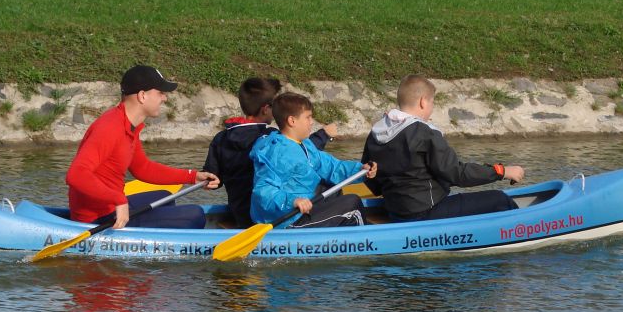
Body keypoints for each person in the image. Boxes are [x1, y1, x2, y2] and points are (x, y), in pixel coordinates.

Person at [66, 65, 219, 230]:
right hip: (98, 219)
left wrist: (193, 177)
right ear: (142, 96)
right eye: (160, 92)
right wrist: (118, 200)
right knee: (195, 215)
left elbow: (142, 168)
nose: (165, 98)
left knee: (166, 197)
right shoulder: (110, 127)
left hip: (110, 207)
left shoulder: (128, 124)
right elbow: (76, 175)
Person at [361, 74, 524, 221]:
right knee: (500, 199)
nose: (432, 108)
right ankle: (522, 231)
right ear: (423, 102)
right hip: (426, 214)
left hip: (396, 213)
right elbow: (457, 174)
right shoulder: (424, 133)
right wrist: (501, 172)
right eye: (433, 102)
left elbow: (372, 183)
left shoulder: (376, 133)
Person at [203, 77, 337, 227]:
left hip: (239, 213)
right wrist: (324, 135)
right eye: (275, 105)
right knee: (330, 185)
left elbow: (212, 180)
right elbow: (303, 155)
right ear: (266, 109)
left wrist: (209, 181)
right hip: (268, 216)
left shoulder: (221, 138)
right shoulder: (271, 138)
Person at [250, 92, 377, 228]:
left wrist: (360, 170)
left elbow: (332, 167)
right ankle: (366, 243)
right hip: (289, 221)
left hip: (304, 211)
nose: (312, 122)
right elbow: (264, 192)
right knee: (353, 203)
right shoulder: (276, 153)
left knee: (333, 189)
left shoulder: (304, 144)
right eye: (308, 117)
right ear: (292, 121)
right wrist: (293, 201)